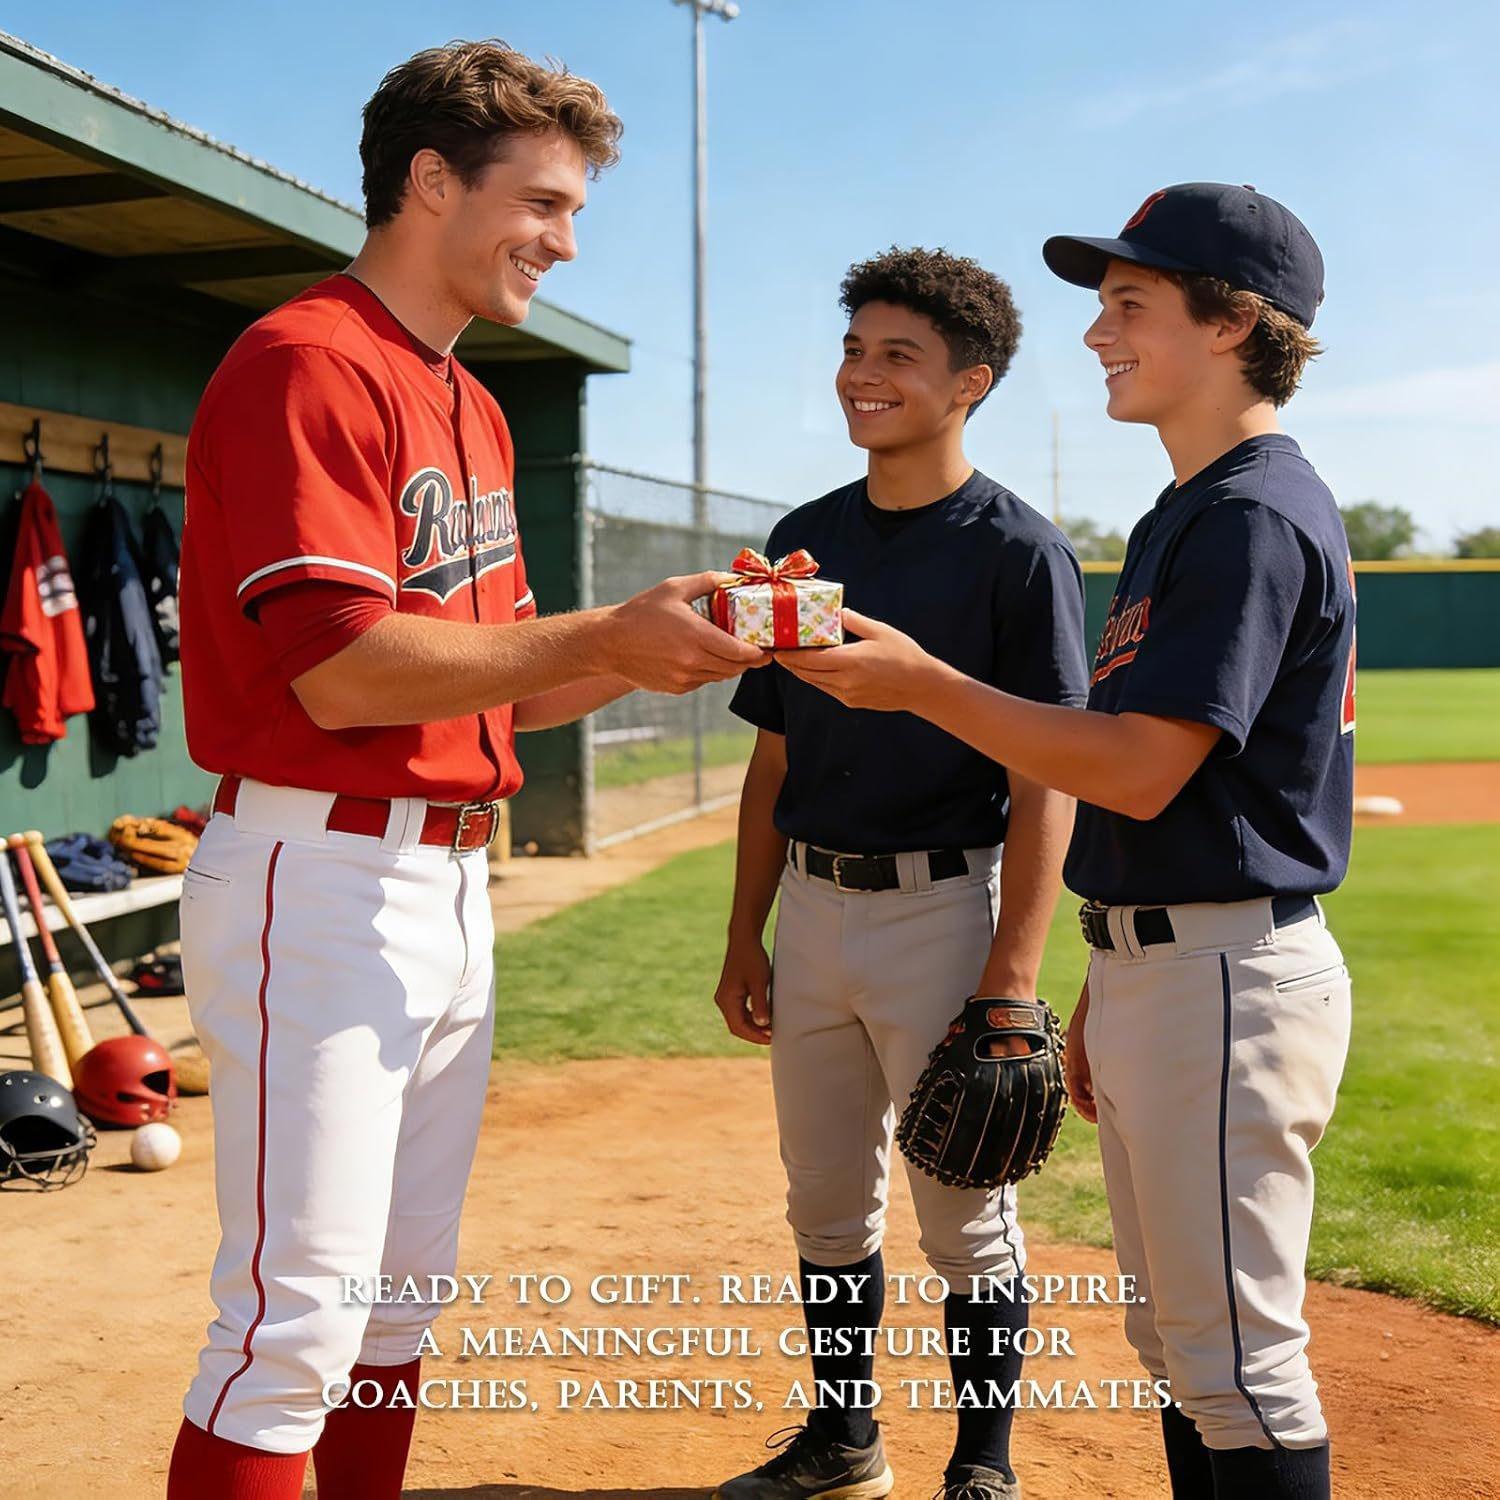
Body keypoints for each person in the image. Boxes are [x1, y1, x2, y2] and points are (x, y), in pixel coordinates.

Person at [169, 41, 764, 1500]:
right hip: (315, 875)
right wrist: (604, 631)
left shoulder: (472, 401)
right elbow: (343, 667)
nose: (565, 242)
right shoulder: (310, 359)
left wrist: (670, 647)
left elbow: (498, 686)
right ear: (431, 181)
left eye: (574, 212)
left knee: (396, 1306)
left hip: (442, 881)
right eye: (543, 204)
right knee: (290, 1330)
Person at [778, 184, 1354, 1500]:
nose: (1098, 332)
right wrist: (1110, 969)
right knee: (1187, 1357)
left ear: (1232, 324)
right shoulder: (1187, 512)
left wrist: (925, 685)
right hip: (1172, 961)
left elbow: (1141, 772)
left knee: (1240, 1370)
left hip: (1228, 971)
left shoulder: (1253, 514)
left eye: (1130, 304)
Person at [714, 247, 1089, 1500]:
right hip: (813, 908)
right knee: (824, 1204)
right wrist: (745, 934)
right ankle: (844, 1441)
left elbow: (1049, 777)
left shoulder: (1019, 551)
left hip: (943, 909)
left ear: (969, 382)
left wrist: (1011, 975)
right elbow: (773, 757)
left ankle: (983, 1466)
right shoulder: (805, 541)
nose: (862, 375)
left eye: (898, 356)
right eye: (854, 349)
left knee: (964, 1214)